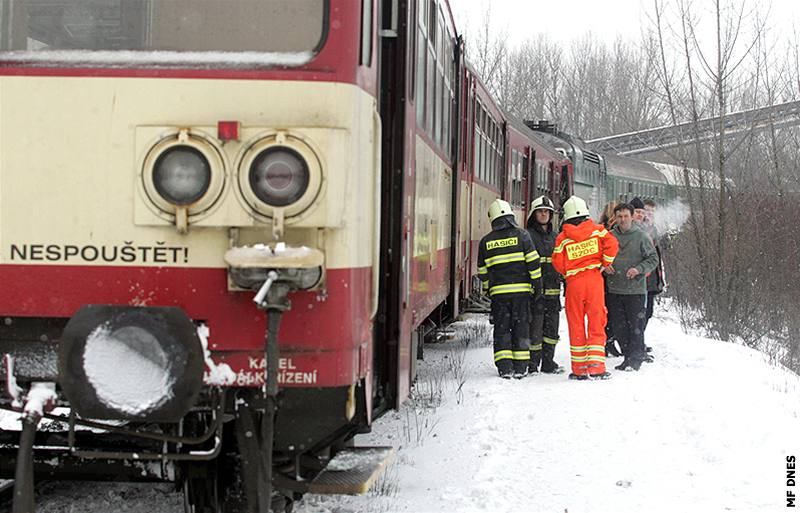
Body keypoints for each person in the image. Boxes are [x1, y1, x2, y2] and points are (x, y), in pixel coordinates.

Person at [552, 196, 618, 380]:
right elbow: (612, 245)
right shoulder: (597, 231)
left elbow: (557, 261)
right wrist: (604, 262)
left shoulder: (562, 238)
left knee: (576, 323)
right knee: (597, 321)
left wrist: (569, 272)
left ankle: (579, 369)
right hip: (594, 280)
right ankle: (597, 367)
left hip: (574, 284)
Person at [477, 199, 542, 379]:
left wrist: (488, 289)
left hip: (499, 295)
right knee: (521, 328)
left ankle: (505, 367)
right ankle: (521, 367)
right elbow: (533, 264)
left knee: (502, 329)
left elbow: (482, 272)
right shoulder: (523, 236)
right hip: (521, 294)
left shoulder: (485, 241)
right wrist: (537, 287)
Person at [604, 203, 659, 371]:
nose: (622, 220)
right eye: (619, 216)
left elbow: (653, 259)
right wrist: (604, 265)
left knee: (635, 326)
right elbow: (599, 256)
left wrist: (638, 269)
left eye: (626, 216)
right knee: (619, 328)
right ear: (615, 217)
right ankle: (627, 356)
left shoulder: (641, 236)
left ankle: (635, 359)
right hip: (614, 289)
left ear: (632, 216)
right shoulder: (609, 236)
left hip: (635, 290)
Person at [525, 195, 564, 374]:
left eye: (547, 212)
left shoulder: (557, 237)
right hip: (535, 293)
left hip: (553, 293)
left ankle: (548, 362)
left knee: (551, 331)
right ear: (534, 214)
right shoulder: (527, 236)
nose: (544, 215)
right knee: (535, 331)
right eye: (540, 211)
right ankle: (533, 364)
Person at [599, 201, 623, 358]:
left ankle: (610, 340)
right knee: (606, 311)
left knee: (613, 312)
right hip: (603, 277)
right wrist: (604, 264)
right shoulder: (601, 231)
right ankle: (606, 342)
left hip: (615, 276)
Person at [642, 199, 665, 329]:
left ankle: (640, 341)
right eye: (647, 211)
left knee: (648, 312)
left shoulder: (654, 228)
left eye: (652, 212)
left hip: (652, 277)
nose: (650, 214)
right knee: (643, 312)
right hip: (645, 277)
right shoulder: (641, 229)